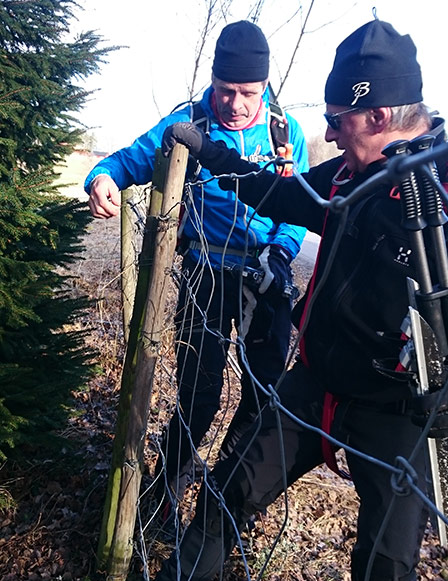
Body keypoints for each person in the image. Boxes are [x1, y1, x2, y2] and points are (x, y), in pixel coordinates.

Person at [73, 19, 448, 581]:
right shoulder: (346, 177)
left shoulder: (436, 191)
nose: (327, 132)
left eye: (339, 118)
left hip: (398, 412)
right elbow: (283, 192)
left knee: (384, 576)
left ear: (380, 113)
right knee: (232, 488)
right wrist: (214, 158)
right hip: (315, 388)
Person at [84, 20, 309, 519]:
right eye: (225, 91)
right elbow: (131, 160)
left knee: (264, 396)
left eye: (247, 92)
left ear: (265, 86)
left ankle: (227, 496)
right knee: (198, 398)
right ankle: (163, 494)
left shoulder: (284, 132)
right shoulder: (189, 123)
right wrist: (101, 177)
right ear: (212, 80)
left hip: (267, 280)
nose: (235, 104)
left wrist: (280, 253)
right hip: (205, 274)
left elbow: (299, 208)